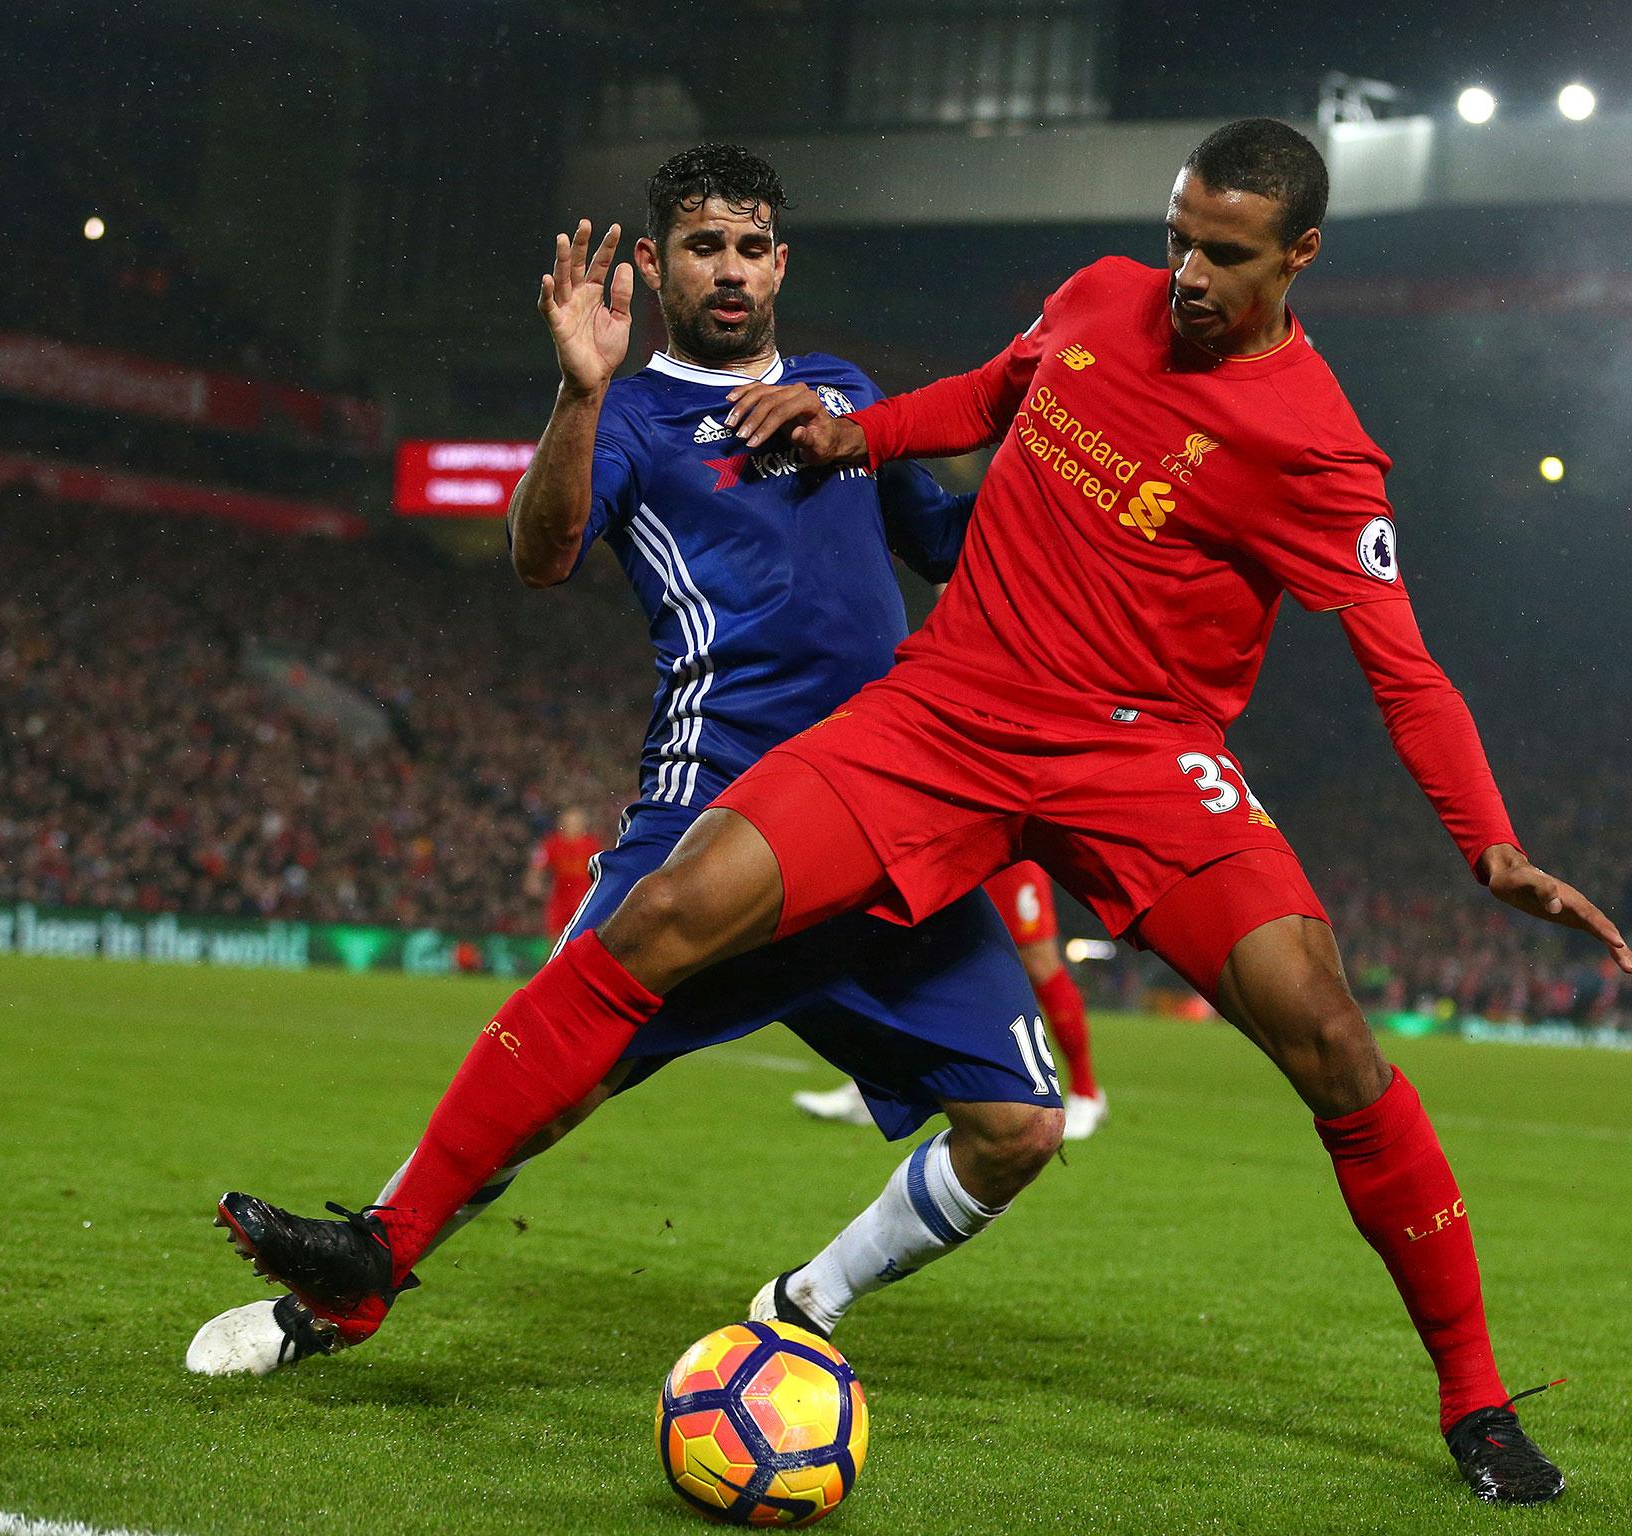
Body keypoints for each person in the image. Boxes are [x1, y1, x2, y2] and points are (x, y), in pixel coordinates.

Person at [216, 121, 1632, 1506]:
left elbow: (1402, 661)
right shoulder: (1099, 297)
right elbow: (989, 394)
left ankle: (1476, 1403)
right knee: (662, 916)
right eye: (1178, 241)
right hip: (948, 709)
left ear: (1300, 257)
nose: (1187, 278)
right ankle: (372, 1258)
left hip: (1141, 754)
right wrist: (856, 434)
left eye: (1225, 256)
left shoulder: (1319, 451)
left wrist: (1488, 842)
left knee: (1327, 1034)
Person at [192, 144, 1066, 1377]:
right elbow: (540, 552)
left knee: (1019, 1128)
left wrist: (1057, 468)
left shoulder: (839, 391)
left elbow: (952, 550)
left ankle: (801, 1307)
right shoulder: (634, 415)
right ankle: (343, 1288)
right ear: (654, 261)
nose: (730, 270)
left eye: (752, 247)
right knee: (553, 1081)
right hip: (712, 806)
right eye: (704, 245)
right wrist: (576, 391)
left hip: (885, 806)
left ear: (780, 263)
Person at [796, 859, 1108, 1137]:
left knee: (1038, 961)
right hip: (949, 839)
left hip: (1005, 842)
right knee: (906, 953)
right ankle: (877, 1090)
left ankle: (1086, 1092)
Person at [525, 807, 604, 939]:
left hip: (584, 899)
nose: (574, 826)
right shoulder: (552, 843)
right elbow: (537, 865)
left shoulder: (591, 844)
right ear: (562, 824)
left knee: (583, 937)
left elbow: (601, 869)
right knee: (557, 939)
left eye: (577, 822)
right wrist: (533, 881)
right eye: (570, 822)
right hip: (560, 900)